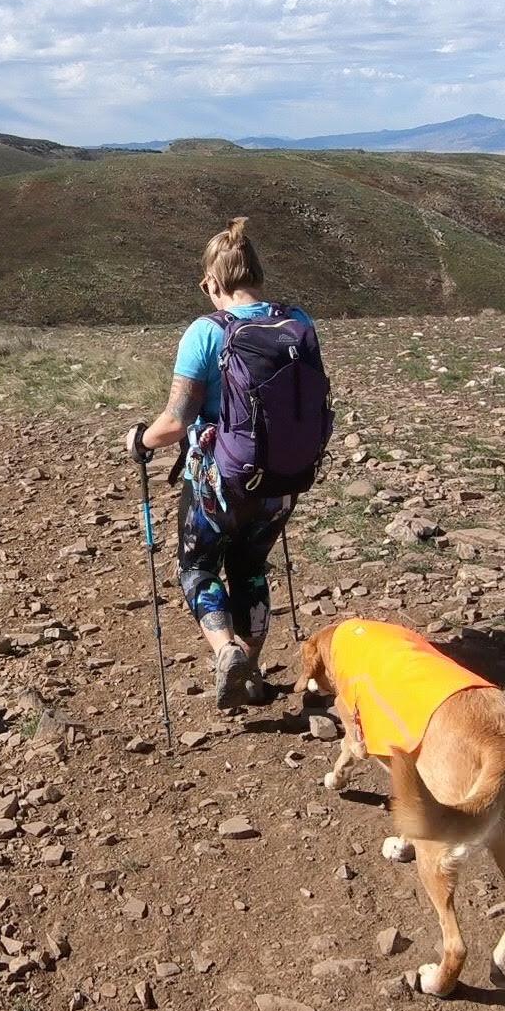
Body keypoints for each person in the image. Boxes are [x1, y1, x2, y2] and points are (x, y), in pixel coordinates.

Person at [126, 217, 317, 710]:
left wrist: (139, 441)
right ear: (255, 272)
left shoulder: (206, 332)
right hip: (283, 480)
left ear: (213, 282)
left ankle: (226, 649)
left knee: (198, 568)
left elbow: (174, 422)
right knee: (251, 567)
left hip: (220, 481)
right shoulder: (298, 321)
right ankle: (250, 667)